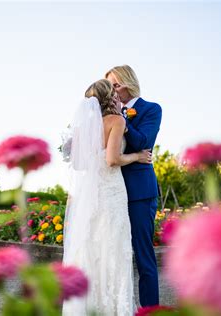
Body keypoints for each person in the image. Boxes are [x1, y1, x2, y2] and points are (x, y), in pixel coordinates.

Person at [63, 79, 152, 315]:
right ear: (110, 97)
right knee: (113, 249)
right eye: (114, 91)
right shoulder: (116, 120)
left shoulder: (84, 128)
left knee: (91, 248)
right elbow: (113, 160)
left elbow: (80, 165)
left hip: (91, 195)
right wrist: (137, 157)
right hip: (112, 191)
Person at [106, 65, 162, 307]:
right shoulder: (106, 113)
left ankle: (150, 310)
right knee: (113, 253)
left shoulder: (151, 109)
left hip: (140, 193)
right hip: (111, 189)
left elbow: (143, 143)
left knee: (143, 255)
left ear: (128, 83)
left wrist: (123, 120)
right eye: (109, 87)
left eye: (116, 86)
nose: (113, 92)